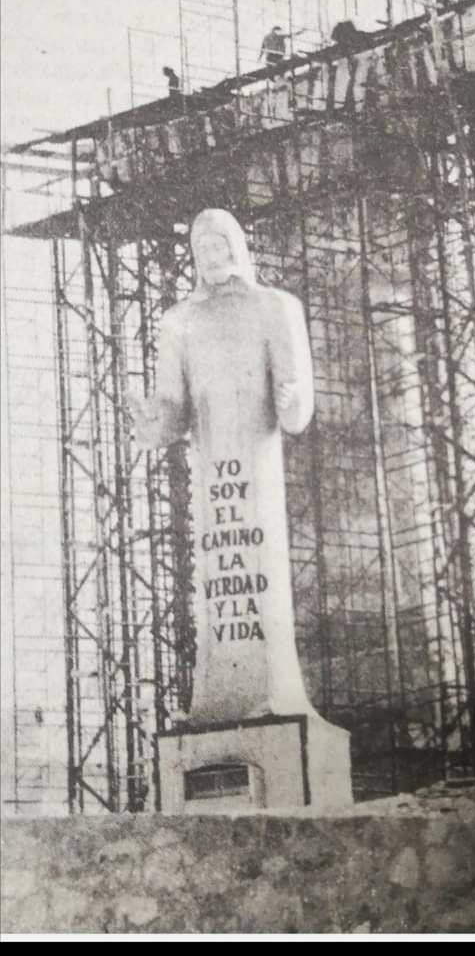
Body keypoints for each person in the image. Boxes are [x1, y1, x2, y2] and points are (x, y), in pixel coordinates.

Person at [129, 209, 316, 725]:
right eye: (201, 248)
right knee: (218, 582)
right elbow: (173, 406)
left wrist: (293, 400)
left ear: (237, 246)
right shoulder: (179, 321)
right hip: (211, 466)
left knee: (260, 571)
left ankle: (273, 693)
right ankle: (216, 701)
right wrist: (153, 424)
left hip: (257, 460)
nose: (211, 256)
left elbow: (297, 399)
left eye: (219, 245)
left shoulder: (276, 307)